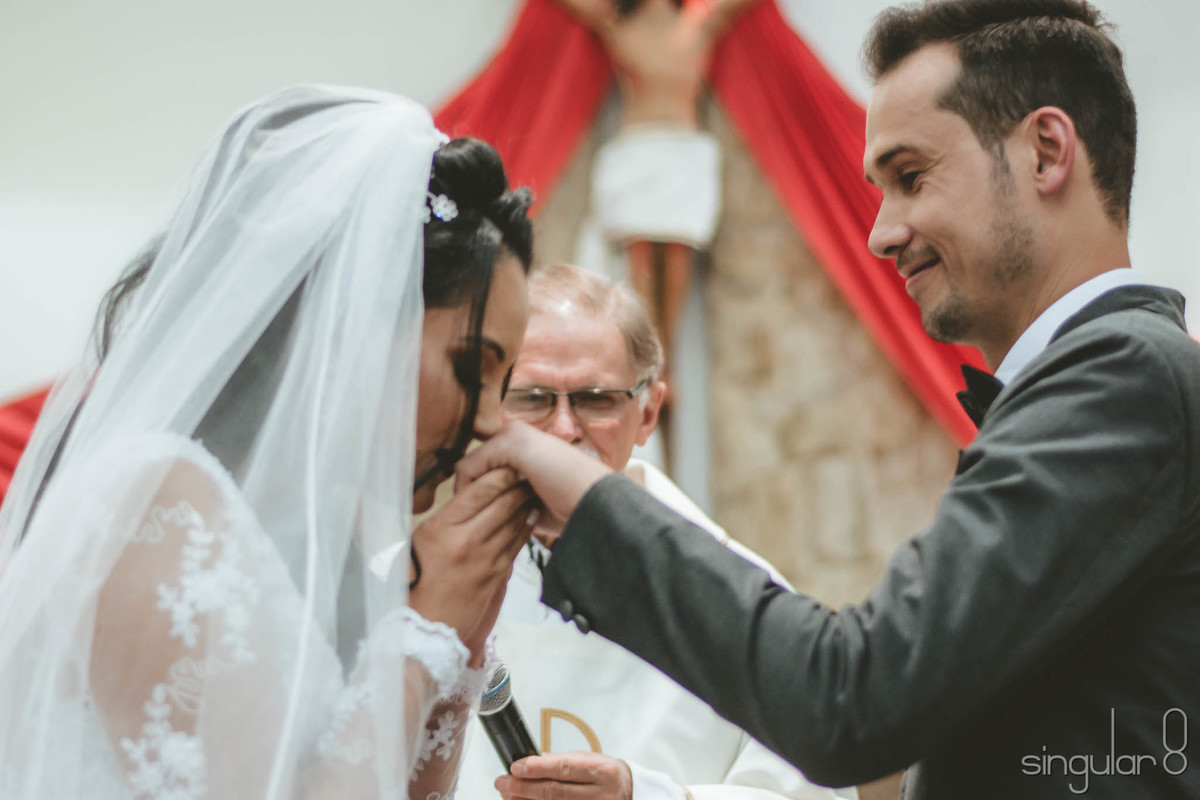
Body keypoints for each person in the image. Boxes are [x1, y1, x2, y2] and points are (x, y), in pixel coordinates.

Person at [456, 2, 1200, 797]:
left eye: (911, 177)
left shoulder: (1124, 375)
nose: (882, 232)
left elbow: (853, 700)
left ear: (1047, 152)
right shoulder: (1104, 381)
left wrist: (596, 509)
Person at [0, 85, 537, 799]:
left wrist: (457, 637)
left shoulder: (331, 544)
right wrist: (425, 634)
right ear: (350, 321)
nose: (492, 423)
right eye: (470, 367)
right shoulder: (154, 503)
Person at [453, 264, 851, 800]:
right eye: (532, 398)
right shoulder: (420, 584)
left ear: (648, 413)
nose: (565, 429)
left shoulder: (739, 599)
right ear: (487, 408)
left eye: (596, 399)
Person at [551, 0, 759, 391]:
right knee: (641, 258)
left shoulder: (700, 21)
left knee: (678, 255)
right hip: (638, 150)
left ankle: (666, 364)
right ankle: (646, 360)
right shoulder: (616, 22)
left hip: (684, 150)